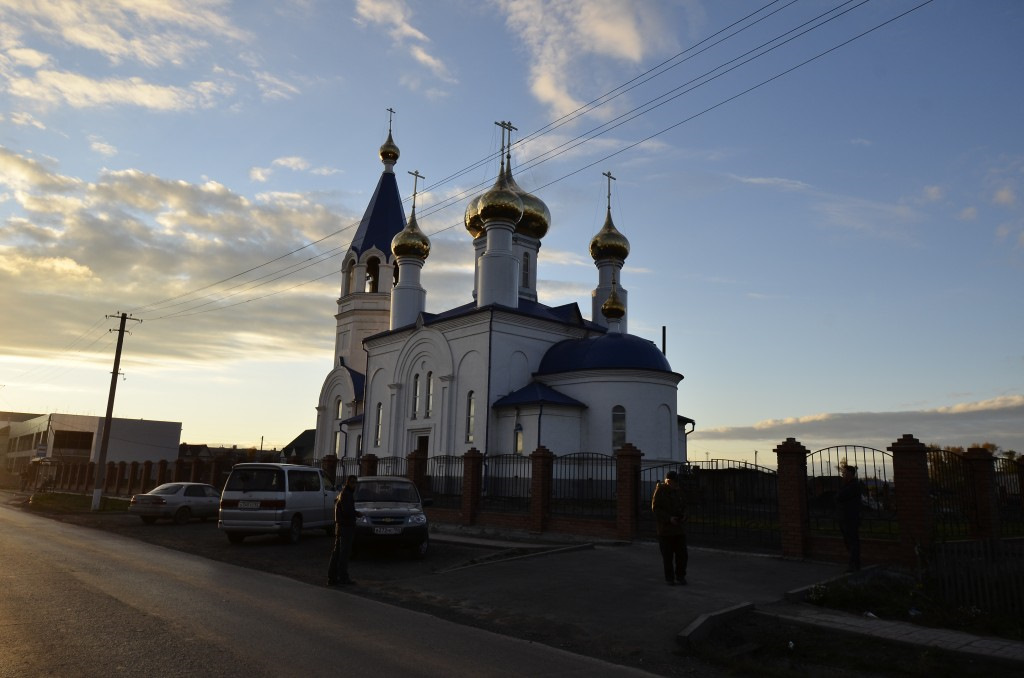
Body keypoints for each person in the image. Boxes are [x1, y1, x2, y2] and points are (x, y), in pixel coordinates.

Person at [652, 470, 688, 585]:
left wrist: (684, 516)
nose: (676, 484)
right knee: (668, 557)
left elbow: (685, 506)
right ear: (668, 481)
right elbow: (656, 509)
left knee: (682, 555)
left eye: (677, 482)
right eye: (674, 482)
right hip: (665, 531)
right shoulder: (661, 491)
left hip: (679, 530)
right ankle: (670, 578)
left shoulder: (679, 491)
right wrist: (668, 518)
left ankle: (680, 576)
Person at [328, 474, 360, 586]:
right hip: (346, 527)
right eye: (352, 482)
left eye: (355, 482)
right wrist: (354, 515)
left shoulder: (343, 494)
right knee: (343, 554)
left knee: (337, 552)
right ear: (348, 483)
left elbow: (344, 509)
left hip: (340, 527)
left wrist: (356, 513)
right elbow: (347, 512)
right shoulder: (347, 495)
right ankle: (343, 577)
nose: (354, 485)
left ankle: (332, 577)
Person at [835, 464, 864, 572]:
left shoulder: (853, 485)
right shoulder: (847, 485)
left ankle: (854, 565)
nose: (843, 475)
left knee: (852, 542)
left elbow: (839, 497)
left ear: (850, 474)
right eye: (843, 473)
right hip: (845, 518)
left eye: (845, 473)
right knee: (849, 542)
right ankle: (854, 564)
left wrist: (839, 495)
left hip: (850, 518)